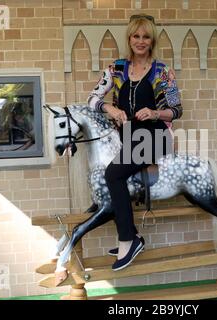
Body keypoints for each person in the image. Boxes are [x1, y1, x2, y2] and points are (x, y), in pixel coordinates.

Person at [87, 14, 182, 271]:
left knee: (113, 174)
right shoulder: (115, 69)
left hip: (156, 138)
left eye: (146, 36)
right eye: (136, 36)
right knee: (110, 173)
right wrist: (109, 108)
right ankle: (131, 235)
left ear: (152, 41)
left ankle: (129, 240)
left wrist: (154, 113)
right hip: (127, 138)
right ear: (129, 38)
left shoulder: (163, 72)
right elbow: (91, 99)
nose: (141, 41)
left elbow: (176, 110)